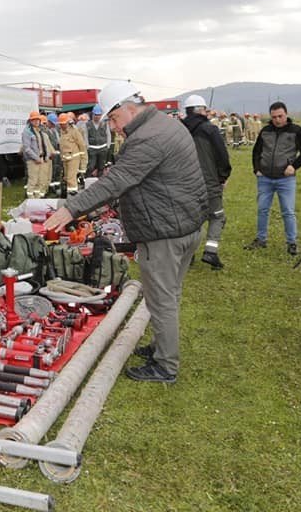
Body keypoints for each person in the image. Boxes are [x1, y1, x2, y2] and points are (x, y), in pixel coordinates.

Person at [44, 81, 207, 383]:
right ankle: (161, 346)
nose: (114, 127)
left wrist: (70, 209)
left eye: (114, 119)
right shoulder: (165, 125)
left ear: (128, 109)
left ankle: (165, 366)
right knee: (168, 293)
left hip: (165, 232)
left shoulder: (147, 137)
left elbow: (117, 181)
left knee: (161, 298)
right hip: (185, 223)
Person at [247, 101, 301, 254]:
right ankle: (261, 239)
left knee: (288, 211)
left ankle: (292, 242)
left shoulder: (296, 131)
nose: (277, 119)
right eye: (274, 117)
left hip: (286, 179)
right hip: (265, 179)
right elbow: (256, 152)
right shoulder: (265, 131)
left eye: (280, 116)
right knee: (262, 210)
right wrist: (257, 169)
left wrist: (294, 166)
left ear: (286, 114)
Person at [182, 95, 231, 269]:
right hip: (209, 183)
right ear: (201, 110)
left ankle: (189, 255)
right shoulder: (210, 129)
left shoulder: (180, 130)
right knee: (217, 216)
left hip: (185, 184)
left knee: (191, 219)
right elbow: (222, 155)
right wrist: (223, 176)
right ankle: (210, 252)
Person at [21, 111, 51, 198]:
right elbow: (27, 148)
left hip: (40, 159)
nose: (36, 121)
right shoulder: (27, 132)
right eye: (34, 120)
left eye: (38, 119)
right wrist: (36, 158)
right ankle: (30, 199)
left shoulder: (39, 131)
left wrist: (45, 156)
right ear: (30, 121)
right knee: (33, 181)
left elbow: (43, 145)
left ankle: (37, 199)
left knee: (38, 181)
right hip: (32, 160)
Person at [58, 112, 87, 196]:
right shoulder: (62, 132)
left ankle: (72, 197)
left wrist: (83, 163)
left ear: (67, 122)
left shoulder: (74, 131)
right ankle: (70, 194)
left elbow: (82, 146)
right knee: (67, 178)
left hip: (74, 159)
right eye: (61, 124)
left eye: (63, 124)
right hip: (65, 159)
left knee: (71, 179)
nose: (62, 125)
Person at [85, 104, 112, 177]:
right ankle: (86, 179)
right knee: (90, 166)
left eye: (99, 115)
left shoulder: (104, 124)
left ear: (101, 115)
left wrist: (108, 146)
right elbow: (85, 136)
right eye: (95, 114)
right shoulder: (88, 124)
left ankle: (99, 180)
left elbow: (108, 134)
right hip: (92, 148)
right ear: (93, 114)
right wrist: (87, 147)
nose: (97, 116)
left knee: (101, 166)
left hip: (103, 148)